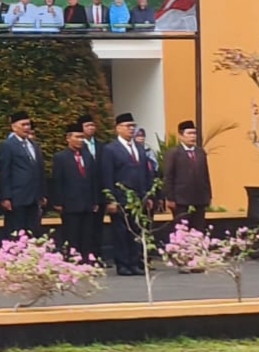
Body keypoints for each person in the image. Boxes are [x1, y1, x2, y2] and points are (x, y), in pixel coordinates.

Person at [101, 112, 156, 276]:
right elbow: (106, 175)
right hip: (120, 198)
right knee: (121, 232)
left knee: (137, 230)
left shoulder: (139, 148)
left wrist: (148, 195)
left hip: (139, 198)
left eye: (133, 126)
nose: (131, 129)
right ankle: (123, 264)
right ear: (118, 128)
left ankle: (135, 262)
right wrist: (110, 200)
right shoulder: (110, 149)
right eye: (127, 126)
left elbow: (145, 173)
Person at [49, 124, 102, 260]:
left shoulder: (88, 156)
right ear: (68, 138)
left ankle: (86, 260)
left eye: (82, 137)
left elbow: (94, 179)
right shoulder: (60, 157)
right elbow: (57, 180)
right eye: (77, 137)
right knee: (71, 235)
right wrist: (58, 202)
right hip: (70, 203)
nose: (80, 140)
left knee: (87, 235)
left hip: (87, 203)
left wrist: (96, 200)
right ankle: (72, 260)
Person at [0, 111, 45, 237]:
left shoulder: (34, 145)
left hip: (34, 196)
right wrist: (6, 197)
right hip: (17, 197)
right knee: (17, 232)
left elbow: (39, 170)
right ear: (14, 127)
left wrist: (42, 193)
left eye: (28, 124)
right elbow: (5, 171)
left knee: (33, 231)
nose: (27, 128)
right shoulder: (8, 145)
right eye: (23, 125)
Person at [162, 120, 213, 233]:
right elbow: (168, 176)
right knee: (182, 229)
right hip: (181, 200)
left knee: (198, 230)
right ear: (181, 136)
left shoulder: (200, 152)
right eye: (189, 133)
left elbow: (205, 175)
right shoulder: (173, 153)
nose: (192, 136)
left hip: (199, 199)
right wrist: (170, 198)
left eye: (194, 133)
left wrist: (208, 195)